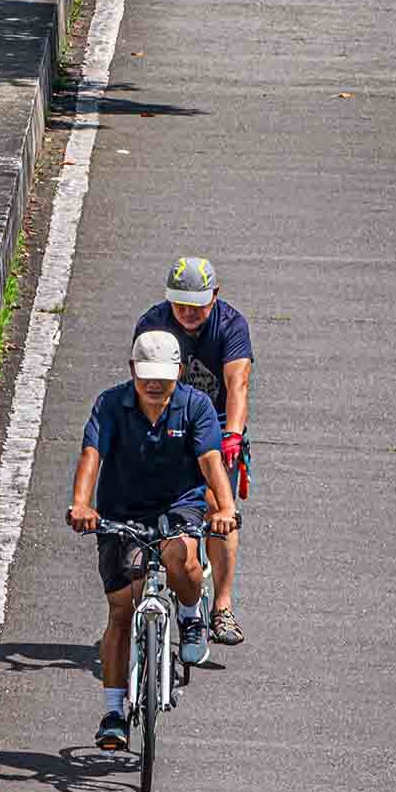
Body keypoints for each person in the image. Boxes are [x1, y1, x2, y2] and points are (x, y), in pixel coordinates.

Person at [68, 326, 238, 753]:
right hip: (121, 511)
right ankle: (113, 712)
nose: (155, 384)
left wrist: (224, 509)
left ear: (179, 371)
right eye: (146, 375)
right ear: (132, 370)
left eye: (163, 375)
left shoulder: (195, 406)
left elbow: (210, 462)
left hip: (178, 505)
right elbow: (92, 455)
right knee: (121, 610)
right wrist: (81, 505)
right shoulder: (110, 404)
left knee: (183, 559)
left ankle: (188, 613)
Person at [133, 255, 255, 647]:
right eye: (179, 304)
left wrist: (232, 435)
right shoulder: (153, 324)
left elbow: (237, 383)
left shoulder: (231, 326)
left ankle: (222, 605)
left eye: (197, 304)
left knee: (220, 508)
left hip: (217, 426)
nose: (187, 312)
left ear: (215, 296)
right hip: (169, 419)